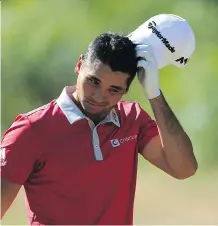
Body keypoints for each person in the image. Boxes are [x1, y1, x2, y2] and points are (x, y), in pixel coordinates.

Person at [1, 15, 198, 225]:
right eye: (93, 81)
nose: (98, 97)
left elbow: (184, 169)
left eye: (114, 90)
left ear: (126, 90)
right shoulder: (31, 130)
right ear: (79, 65)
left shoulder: (133, 119)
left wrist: (154, 94)